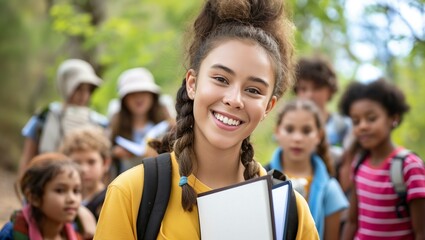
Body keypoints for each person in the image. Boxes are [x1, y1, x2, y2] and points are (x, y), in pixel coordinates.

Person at [94, 0, 319, 239]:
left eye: (253, 90)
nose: (234, 99)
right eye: (221, 79)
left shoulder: (289, 211)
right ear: (192, 83)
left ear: (268, 107)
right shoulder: (131, 192)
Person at [339, 79, 425, 240]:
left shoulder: (410, 166)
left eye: (371, 118)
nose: (362, 126)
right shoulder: (360, 163)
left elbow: (423, 233)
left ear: (393, 118)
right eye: (356, 121)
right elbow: (352, 222)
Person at [265, 99, 348, 240]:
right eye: (289, 129)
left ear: (319, 136)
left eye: (306, 131)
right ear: (277, 132)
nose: (297, 138)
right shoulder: (258, 178)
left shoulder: (330, 190)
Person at [18, 59, 108, 177]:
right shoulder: (43, 118)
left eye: (88, 90)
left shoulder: (98, 123)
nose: (84, 95)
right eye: (78, 88)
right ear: (66, 86)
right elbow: (28, 158)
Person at [0, 153, 85, 240]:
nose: (72, 199)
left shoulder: (77, 236)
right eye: (60, 190)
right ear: (34, 197)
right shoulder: (12, 234)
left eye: (76, 191)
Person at [108, 67, 173, 174]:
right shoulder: (116, 127)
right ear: (124, 100)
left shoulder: (168, 125)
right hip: (127, 184)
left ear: (152, 96)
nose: (138, 98)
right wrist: (114, 153)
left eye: (143, 92)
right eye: (132, 94)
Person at [293, 56, 353, 169]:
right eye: (303, 89)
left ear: (330, 90)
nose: (310, 95)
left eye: (316, 88)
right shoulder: (289, 124)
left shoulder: (344, 125)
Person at [60, 126, 112, 221]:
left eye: (91, 162)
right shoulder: (60, 200)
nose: (84, 169)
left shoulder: (110, 200)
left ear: (105, 163)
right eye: (76, 163)